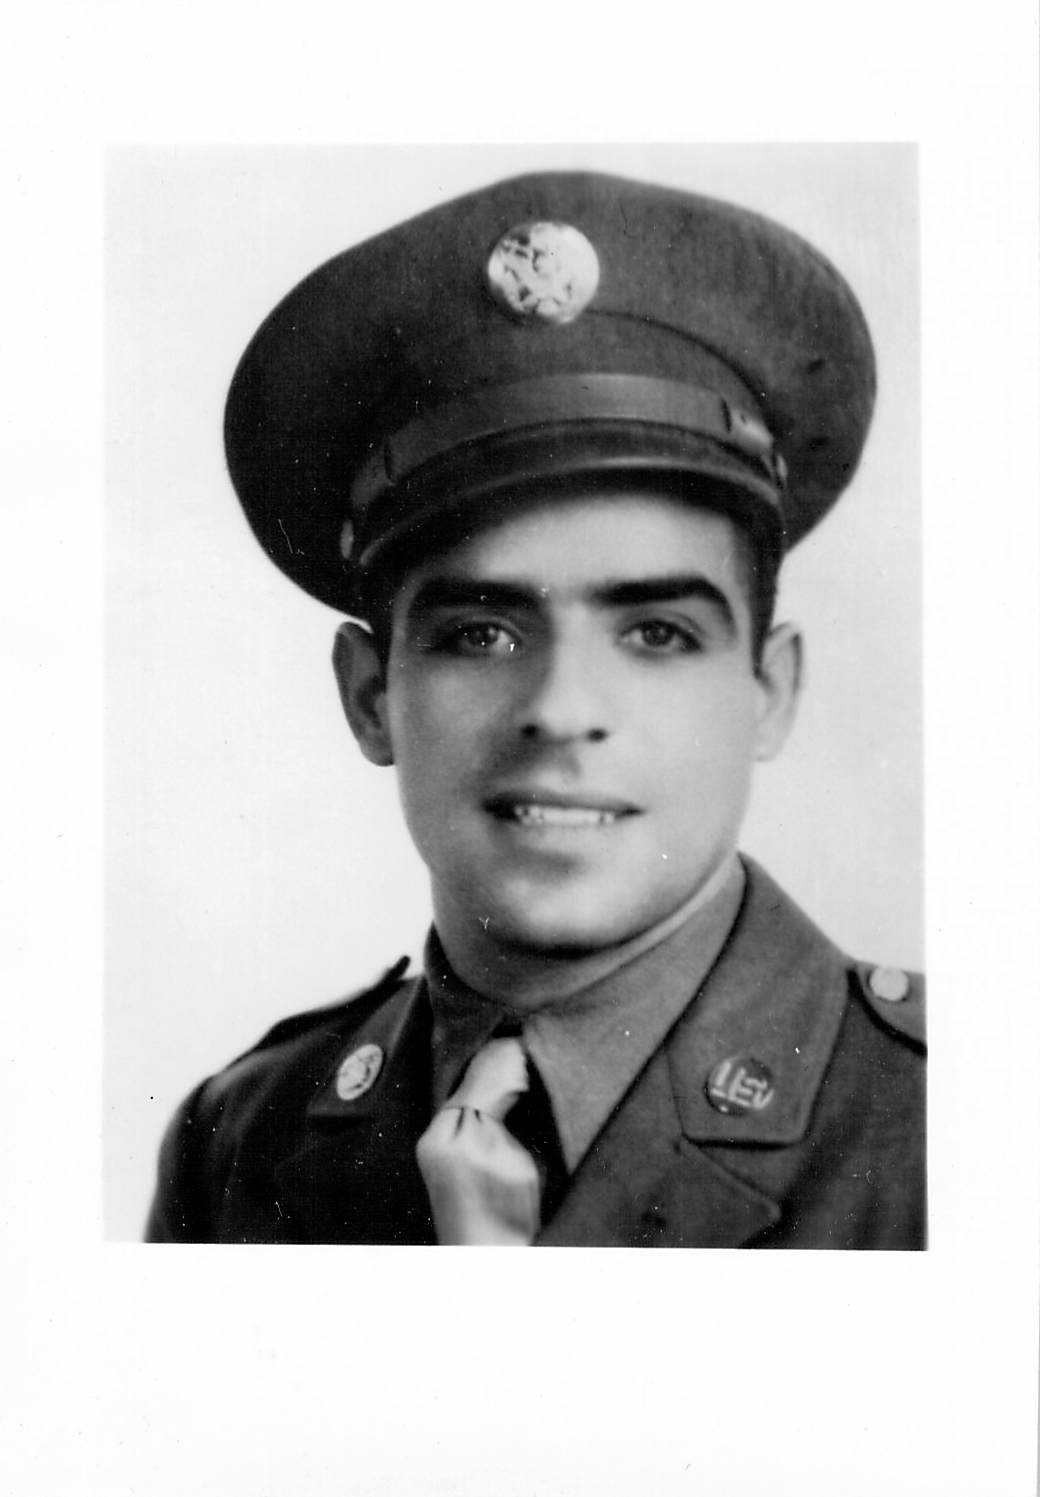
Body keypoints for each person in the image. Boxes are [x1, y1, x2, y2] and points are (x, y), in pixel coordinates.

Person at [145, 169, 925, 1248]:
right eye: (481, 634)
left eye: (656, 634)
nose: (561, 710)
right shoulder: (238, 1138)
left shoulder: (964, 1129)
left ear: (768, 691)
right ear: (370, 697)